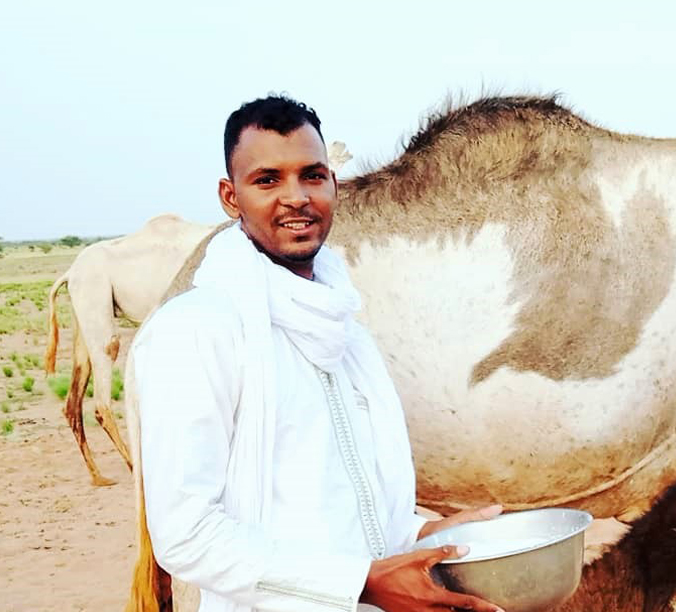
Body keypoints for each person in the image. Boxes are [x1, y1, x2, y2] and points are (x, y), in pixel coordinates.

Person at [132, 95, 504, 612]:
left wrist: (428, 530)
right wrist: (358, 583)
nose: (296, 197)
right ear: (230, 196)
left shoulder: (346, 329)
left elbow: (346, 497)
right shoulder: (197, 330)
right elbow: (186, 533)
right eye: (267, 180)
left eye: (312, 175)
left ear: (333, 184)